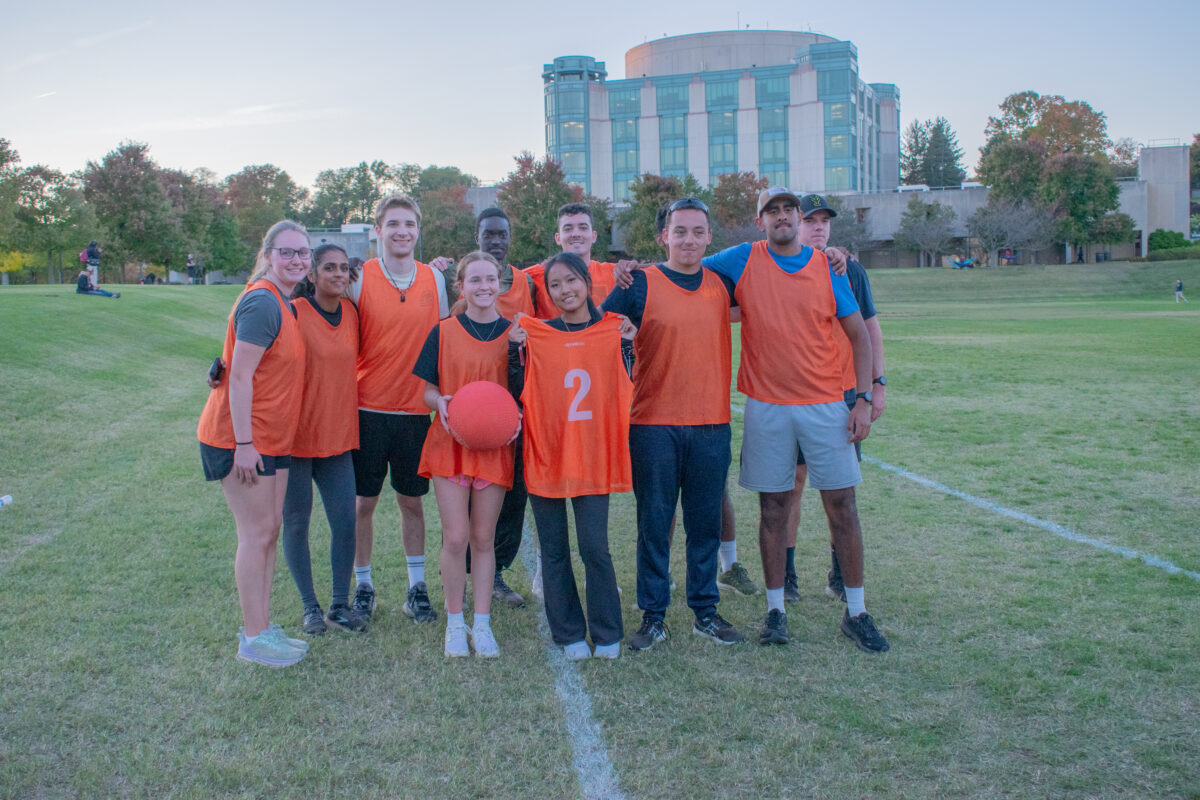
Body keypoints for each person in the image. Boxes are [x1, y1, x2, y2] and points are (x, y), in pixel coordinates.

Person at [704, 187, 889, 653]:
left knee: (842, 505)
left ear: (799, 217)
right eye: (773, 210)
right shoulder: (742, 258)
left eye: (789, 209)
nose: (782, 216)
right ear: (760, 219)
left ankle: (857, 611)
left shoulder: (828, 267)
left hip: (827, 402)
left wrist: (863, 398)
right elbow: (682, 272)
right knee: (773, 508)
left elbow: (859, 336)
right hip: (767, 404)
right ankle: (775, 610)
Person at [602, 197, 746, 651]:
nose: (688, 239)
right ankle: (654, 615)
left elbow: (781, 271)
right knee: (655, 523)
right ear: (664, 236)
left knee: (703, 523)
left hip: (711, 423)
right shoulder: (639, 282)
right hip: (653, 424)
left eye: (697, 231)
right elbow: (594, 329)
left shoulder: (724, 283)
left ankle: (705, 610)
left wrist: (837, 257)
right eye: (678, 231)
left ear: (708, 237)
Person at [509, 252, 634, 660]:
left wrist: (627, 345)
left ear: (586, 281)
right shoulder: (537, 334)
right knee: (554, 549)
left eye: (571, 281)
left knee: (594, 546)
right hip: (547, 451)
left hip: (593, 453)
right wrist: (515, 350)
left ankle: (608, 631)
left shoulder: (614, 331)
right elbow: (517, 390)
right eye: (555, 285)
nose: (565, 291)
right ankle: (568, 635)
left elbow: (626, 382)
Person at [196, 220, 310, 667]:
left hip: (270, 436)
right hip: (243, 438)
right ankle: (253, 636)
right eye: (287, 252)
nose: (296, 260)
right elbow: (239, 375)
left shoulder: (283, 300)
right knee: (256, 533)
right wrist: (244, 443)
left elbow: (235, 359)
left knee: (269, 530)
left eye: (303, 253)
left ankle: (263, 627)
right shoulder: (264, 299)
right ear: (268, 254)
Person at [346, 194, 450, 624]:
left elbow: (444, 345)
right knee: (362, 505)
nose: (401, 231)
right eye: (393, 224)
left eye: (409, 223)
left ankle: (416, 588)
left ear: (418, 229)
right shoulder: (359, 276)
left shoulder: (434, 279)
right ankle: (364, 585)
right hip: (367, 410)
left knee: (412, 503)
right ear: (378, 230)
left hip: (414, 415)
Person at [779, 194, 887, 604]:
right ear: (796, 224)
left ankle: (840, 574)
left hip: (841, 395)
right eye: (811, 220)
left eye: (825, 221)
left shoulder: (849, 269)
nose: (819, 227)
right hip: (792, 395)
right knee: (791, 484)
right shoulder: (782, 266)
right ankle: (786, 574)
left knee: (841, 490)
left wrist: (876, 384)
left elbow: (870, 330)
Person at [413, 251, 516, 658]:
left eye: (491, 279)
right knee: (456, 537)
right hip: (449, 443)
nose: (484, 286)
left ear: (501, 283)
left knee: (483, 537)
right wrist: (439, 401)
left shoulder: (515, 333)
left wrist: (515, 414)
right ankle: (455, 623)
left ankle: (482, 623)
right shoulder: (443, 331)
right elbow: (426, 391)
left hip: (494, 447)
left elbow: (525, 389)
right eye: (475, 280)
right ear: (462, 286)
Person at [431, 207, 536, 608]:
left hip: (509, 406)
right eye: (488, 233)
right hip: (465, 407)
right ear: (477, 236)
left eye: (502, 234)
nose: (496, 239)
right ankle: (458, 572)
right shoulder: (458, 288)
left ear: (510, 237)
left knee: (509, 497)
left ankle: (496, 575)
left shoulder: (529, 281)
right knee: (462, 509)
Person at [282, 245, 369, 635]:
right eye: (328, 267)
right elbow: (257, 352)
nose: (337, 273)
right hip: (296, 439)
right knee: (297, 523)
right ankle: (310, 607)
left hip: (337, 437)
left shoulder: (352, 314)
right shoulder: (294, 312)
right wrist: (221, 368)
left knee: (345, 521)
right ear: (312, 276)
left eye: (343, 268)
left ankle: (338, 604)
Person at [525, 204, 618, 319]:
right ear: (558, 238)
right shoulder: (534, 276)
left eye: (583, 228)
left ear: (594, 236)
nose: (575, 234)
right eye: (568, 229)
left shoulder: (616, 274)